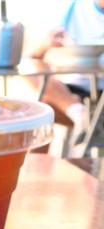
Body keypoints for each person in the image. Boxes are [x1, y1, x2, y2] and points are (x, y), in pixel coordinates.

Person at [24, 0, 104, 157]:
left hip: (100, 92)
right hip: (73, 91)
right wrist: (46, 45)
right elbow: (33, 56)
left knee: (44, 111)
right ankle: (79, 113)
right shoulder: (74, 8)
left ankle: (81, 118)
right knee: (42, 110)